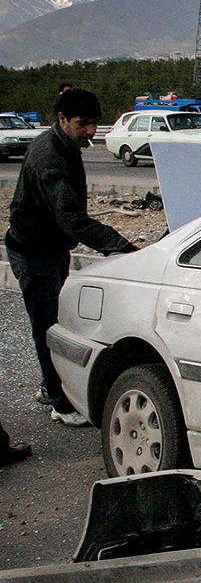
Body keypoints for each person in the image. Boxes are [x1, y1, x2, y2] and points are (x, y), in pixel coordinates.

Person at [5, 88, 137, 426]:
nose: (91, 131)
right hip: (34, 252)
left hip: (49, 247)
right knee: (48, 325)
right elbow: (72, 218)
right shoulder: (49, 157)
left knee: (56, 320)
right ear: (61, 119)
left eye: (95, 123)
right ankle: (61, 403)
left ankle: (51, 386)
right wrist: (122, 248)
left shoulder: (64, 144)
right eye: (83, 124)